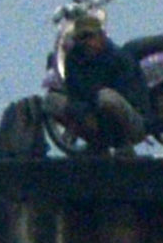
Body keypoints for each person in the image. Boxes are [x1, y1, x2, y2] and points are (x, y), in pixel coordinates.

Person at [52, 12, 152, 151]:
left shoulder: (120, 58)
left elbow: (128, 97)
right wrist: (80, 112)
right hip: (91, 113)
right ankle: (97, 144)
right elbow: (74, 92)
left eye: (90, 36)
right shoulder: (74, 60)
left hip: (131, 122)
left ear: (101, 36)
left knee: (106, 98)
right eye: (81, 38)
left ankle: (122, 144)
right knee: (52, 102)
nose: (86, 42)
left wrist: (89, 107)